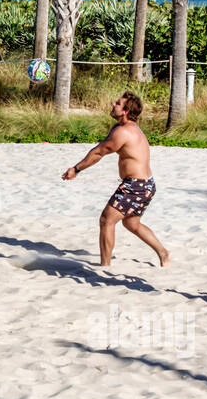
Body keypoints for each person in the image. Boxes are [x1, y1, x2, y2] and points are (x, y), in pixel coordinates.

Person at [62, 91, 169, 268]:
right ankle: (163, 252)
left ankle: (105, 266)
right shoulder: (123, 128)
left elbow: (98, 152)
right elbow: (101, 148)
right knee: (131, 223)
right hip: (146, 184)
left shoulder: (123, 132)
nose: (113, 103)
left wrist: (76, 169)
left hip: (136, 186)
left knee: (106, 220)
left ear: (126, 110)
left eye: (118, 103)